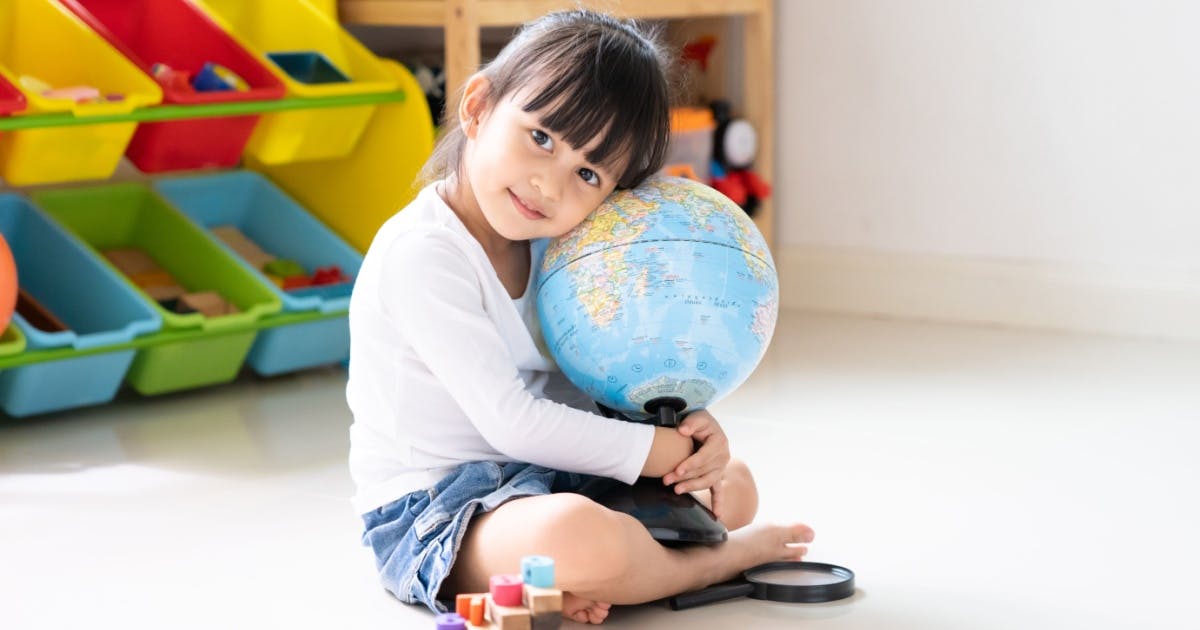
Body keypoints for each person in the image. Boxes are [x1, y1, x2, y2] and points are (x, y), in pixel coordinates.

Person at [347, 9, 813, 624]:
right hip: (438, 506)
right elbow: (513, 423)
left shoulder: (563, 248)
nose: (548, 184)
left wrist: (687, 438)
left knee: (733, 487)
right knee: (580, 535)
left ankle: (593, 576)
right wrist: (655, 452)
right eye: (541, 137)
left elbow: (590, 382)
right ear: (479, 107)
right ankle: (715, 565)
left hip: (549, 471)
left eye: (587, 173)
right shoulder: (423, 255)